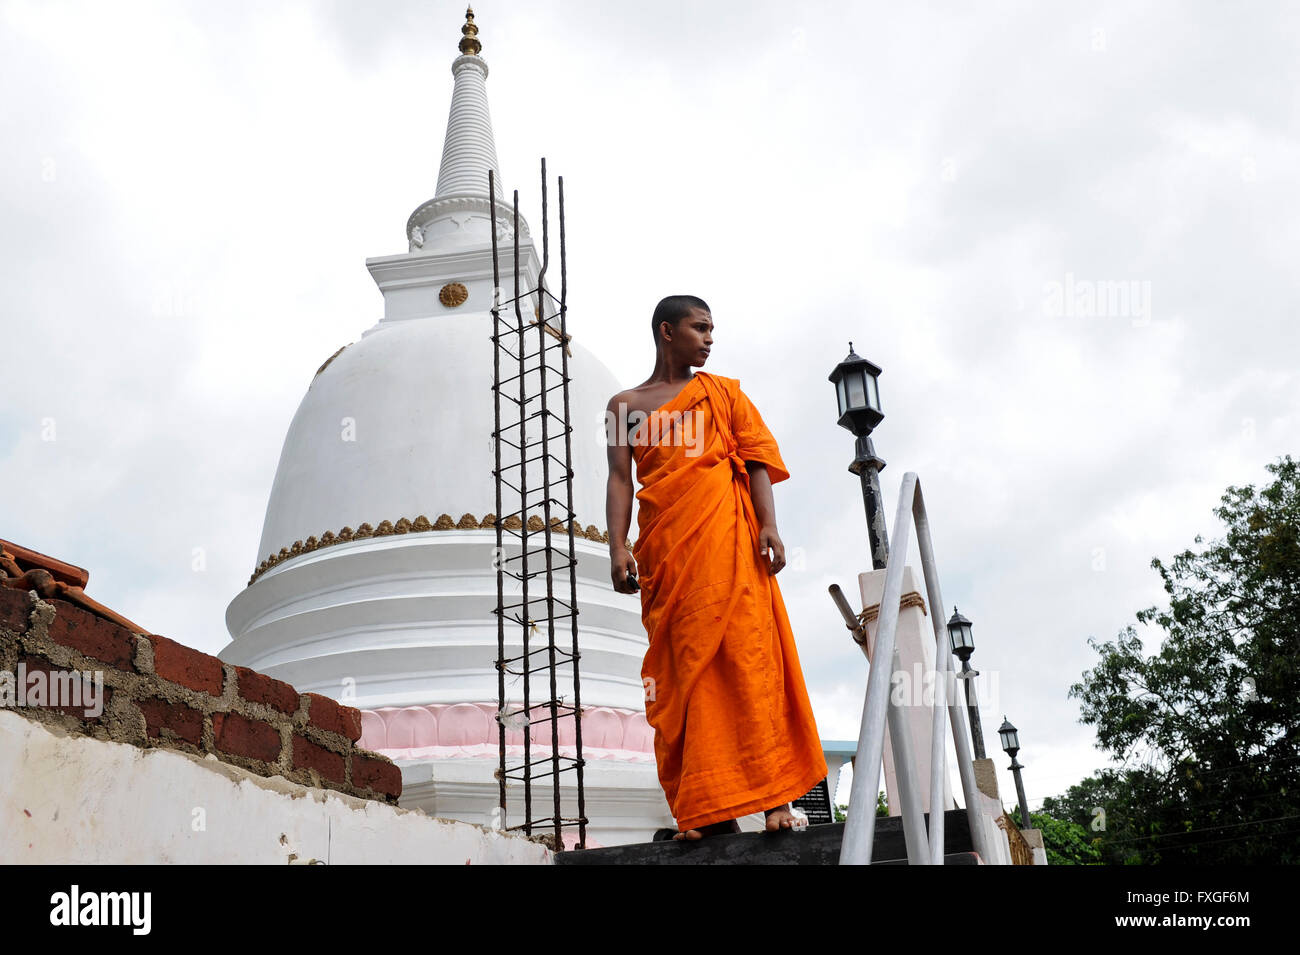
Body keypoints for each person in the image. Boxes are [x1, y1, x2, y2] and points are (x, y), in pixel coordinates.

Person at [604, 294, 828, 840]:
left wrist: (768, 524)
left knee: (750, 661)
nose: (709, 338)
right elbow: (618, 478)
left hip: (731, 542)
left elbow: (753, 460)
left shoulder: (725, 395)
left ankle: (777, 802)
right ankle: (706, 808)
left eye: (712, 329)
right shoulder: (625, 406)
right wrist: (617, 545)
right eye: (699, 328)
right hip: (669, 554)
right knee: (686, 673)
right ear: (666, 331)